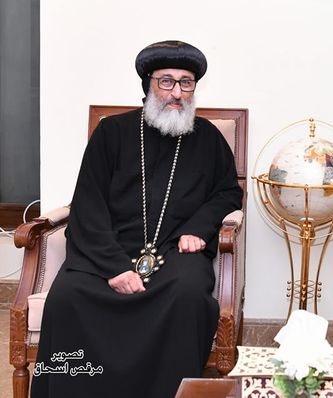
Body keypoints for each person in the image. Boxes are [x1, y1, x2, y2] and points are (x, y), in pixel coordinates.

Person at [32, 40, 243, 398]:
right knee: (68, 296)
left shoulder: (208, 138)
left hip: (175, 251)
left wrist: (199, 227)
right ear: (148, 84)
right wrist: (114, 267)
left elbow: (227, 193)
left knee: (188, 296)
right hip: (107, 249)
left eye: (186, 82)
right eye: (167, 81)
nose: (177, 92)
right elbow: (88, 202)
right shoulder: (111, 133)